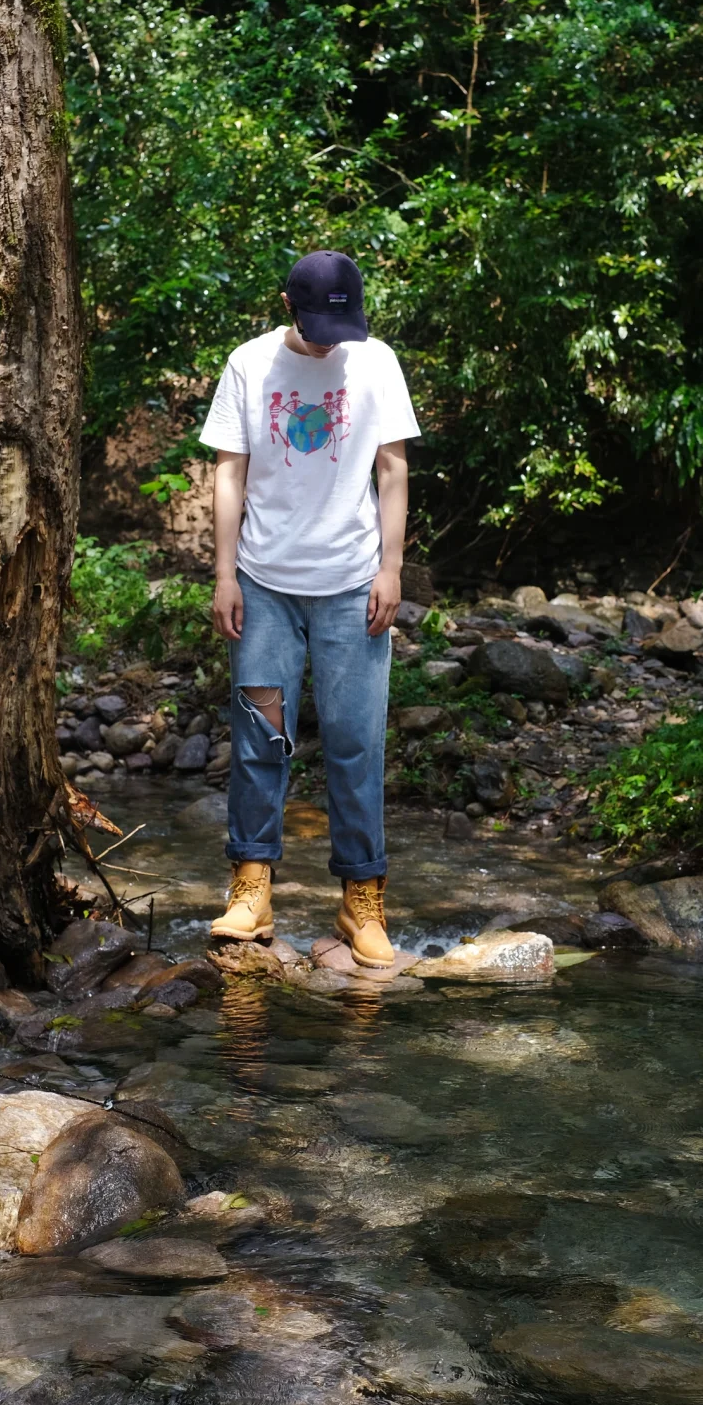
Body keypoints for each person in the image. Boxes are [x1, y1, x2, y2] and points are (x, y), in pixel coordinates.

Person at [199, 249, 419, 966]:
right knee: (263, 735)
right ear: (288, 307)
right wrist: (224, 575)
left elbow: (393, 468)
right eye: (318, 326)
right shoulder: (249, 366)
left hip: (354, 588)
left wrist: (391, 568)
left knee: (356, 743)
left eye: (341, 326)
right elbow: (229, 472)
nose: (330, 342)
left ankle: (363, 900)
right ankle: (251, 888)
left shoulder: (376, 362)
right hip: (264, 589)